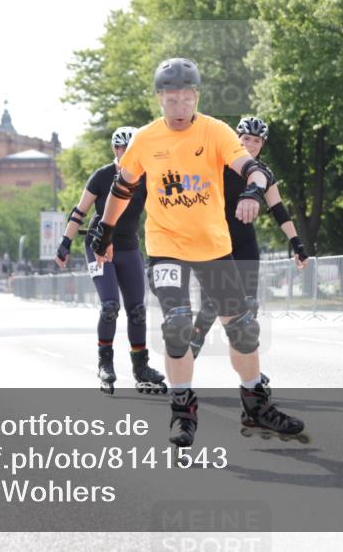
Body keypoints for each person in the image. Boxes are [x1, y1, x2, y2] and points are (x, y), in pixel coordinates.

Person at [90, 57, 307, 447]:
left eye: (185, 99)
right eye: (170, 100)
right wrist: (104, 231)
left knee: (242, 329)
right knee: (177, 325)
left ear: (196, 96)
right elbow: (121, 189)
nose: (178, 108)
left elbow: (254, 168)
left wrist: (253, 191)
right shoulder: (145, 139)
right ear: (160, 99)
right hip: (166, 248)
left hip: (214, 247)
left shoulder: (215, 132)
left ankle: (256, 405)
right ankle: (183, 413)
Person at [55, 125, 166, 395]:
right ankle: (105, 363)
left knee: (137, 310)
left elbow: (162, 214)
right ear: (115, 149)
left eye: (132, 149)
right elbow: (78, 212)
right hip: (98, 245)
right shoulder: (102, 176)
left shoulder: (147, 177)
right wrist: (65, 243)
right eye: (122, 148)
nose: (127, 153)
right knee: (109, 306)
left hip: (128, 246)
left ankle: (141, 368)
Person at [190, 116, 309, 362]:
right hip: (214, 243)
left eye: (256, 141)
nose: (251, 145)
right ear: (237, 138)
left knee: (249, 307)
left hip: (245, 242)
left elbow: (279, 210)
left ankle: (250, 370)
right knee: (210, 307)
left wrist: (297, 244)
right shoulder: (219, 164)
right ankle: (189, 353)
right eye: (246, 139)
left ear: (262, 144)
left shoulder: (263, 173)